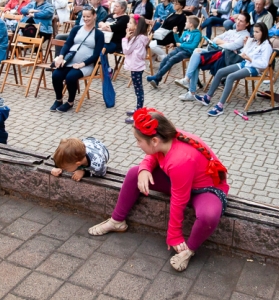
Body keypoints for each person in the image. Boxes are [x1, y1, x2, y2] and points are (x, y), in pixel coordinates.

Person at [90, 108, 229, 272]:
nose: (137, 144)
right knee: (134, 173)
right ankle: (117, 221)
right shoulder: (165, 140)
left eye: (138, 141)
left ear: (154, 140)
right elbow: (154, 155)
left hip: (206, 190)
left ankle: (189, 250)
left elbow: (179, 200)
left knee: (208, 216)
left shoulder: (179, 159)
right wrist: (144, 168)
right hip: (182, 181)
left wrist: (174, 235)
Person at [195, 22, 272, 116]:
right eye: (254, 31)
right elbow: (244, 53)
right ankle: (207, 97)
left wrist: (250, 59)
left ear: (263, 33)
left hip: (254, 68)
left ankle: (220, 106)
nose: (254, 34)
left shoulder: (267, 46)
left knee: (230, 77)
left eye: (257, 32)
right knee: (220, 71)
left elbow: (264, 64)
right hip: (245, 63)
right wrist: (246, 44)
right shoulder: (255, 41)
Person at [177, 12, 252, 100]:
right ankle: (188, 85)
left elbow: (232, 46)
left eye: (241, 21)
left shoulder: (245, 35)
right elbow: (215, 39)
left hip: (223, 59)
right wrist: (226, 43)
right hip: (216, 52)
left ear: (247, 24)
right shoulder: (231, 31)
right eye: (238, 19)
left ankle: (189, 87)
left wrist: (223, 43)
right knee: (196, 54)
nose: (238, 22)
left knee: (196, 54)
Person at [51, 7, 104, 112]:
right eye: (84, 16)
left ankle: (70, 102)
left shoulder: (99, 34)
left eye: (88, 16)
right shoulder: (76, 29)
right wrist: (61, 56)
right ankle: (58, 99)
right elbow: (68, 44)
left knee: (71, 77)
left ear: (94, 16)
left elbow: (96, 55)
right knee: (56, 75)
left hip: (86, 64)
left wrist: (83, 64)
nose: (86, 18)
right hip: (70, 60)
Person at [147, 15, 201, 88]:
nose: (185, 23)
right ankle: (157, 80)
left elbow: (193, 46)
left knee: (172, 59)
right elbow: (179, 41)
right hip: (180, 49)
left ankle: (156, 77)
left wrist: (181, 45)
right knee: (165, 59)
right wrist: (175, 34)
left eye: (187, 22)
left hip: (188, 52)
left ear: (191, 24)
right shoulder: (186, 32)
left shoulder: (197, 34)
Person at [121, 15, 150, 122]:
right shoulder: (140, 37)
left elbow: (126, 50)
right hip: (138, 66)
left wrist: (125, 38)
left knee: (138, 90)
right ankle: (138, 109)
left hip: (136, 66)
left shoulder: (136, 39)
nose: (128, 24)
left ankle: (139, 112)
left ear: (136, 26)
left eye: (130, 23)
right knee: (138, 89)